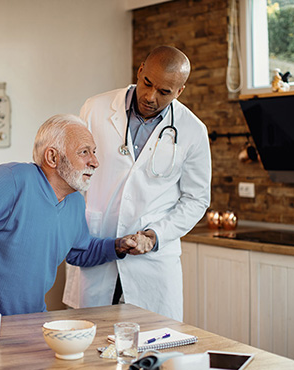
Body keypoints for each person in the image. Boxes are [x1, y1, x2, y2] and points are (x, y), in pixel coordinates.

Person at [0, 114, 153, 330]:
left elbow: (79, 251)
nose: (94, 162)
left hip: (33, 324)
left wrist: (119, 245)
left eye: (93, 152)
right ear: (52, 157)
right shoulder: (13, 180)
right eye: (84, 152)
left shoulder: (74, 201)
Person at [63, 46, 212, 321]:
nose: (150, 97)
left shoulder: (192, 130)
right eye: (147, 83)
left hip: (152, 262)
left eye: (164, 92)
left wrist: (155, 236)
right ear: (140, 70)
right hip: (97, 243)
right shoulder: (95, 108)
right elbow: (71, 173)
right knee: (91, 347)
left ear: (180, 91)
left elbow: (196, 200)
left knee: (153, 348)